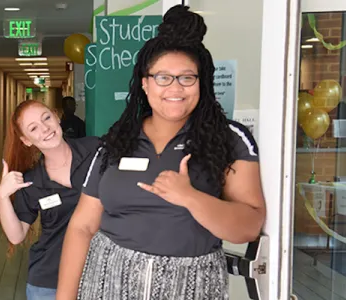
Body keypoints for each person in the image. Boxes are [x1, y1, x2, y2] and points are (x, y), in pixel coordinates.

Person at [56, 5, 266, 300]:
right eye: (163, 77)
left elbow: (248, 227)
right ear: (145, 83)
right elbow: (82, 225)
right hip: (107, 283)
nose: (175, 87)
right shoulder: (117, 140)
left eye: (187, 77)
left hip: (192, 287)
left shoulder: (229, 139)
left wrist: (190, 197)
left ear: (201, 83)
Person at [0, 100, 102, 300]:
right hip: (50, 281)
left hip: (99, 273)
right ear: (26, 140)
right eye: (33, 128)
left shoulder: (95, 151)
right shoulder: (31, 181)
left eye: (46, 118)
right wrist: (3, 196)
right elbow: (17, 235)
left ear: (56, 116)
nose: (45, 129)